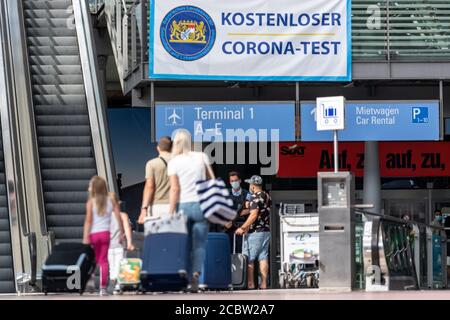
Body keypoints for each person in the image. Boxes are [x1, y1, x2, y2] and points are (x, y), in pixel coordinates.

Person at [168, 129, 214, 293]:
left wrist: (171, 212)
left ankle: (186, 278)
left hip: (183, 206)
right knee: (199, 244)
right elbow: (211, 180)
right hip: (200, 205)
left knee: (184, 244)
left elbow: (174, 189)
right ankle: (195, 275)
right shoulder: (201, 156)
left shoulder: (174, 162)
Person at [82, 176, 125, 296]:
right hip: (106, 234)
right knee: (104, 261)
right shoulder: (111, 201)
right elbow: (118, 217)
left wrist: (86, 236)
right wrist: (121, 233)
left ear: (94, 188)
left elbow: (88, 220)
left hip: (94, 234)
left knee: (93, 258)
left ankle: (90, 278)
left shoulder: (91, 202)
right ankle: (103, 288)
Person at [236, 175, 271, 289]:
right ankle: (264, 284)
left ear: (253, 185)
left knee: (249, 258)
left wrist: (243, 227)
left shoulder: (255, 197)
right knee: (263, 257)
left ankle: (251, 284)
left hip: (255, 232)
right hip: (265, 231)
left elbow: (254, 214)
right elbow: (258, 211)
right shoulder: (266, 196)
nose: (249, 187)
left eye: (250, 184)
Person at [138, 136, 173, 224]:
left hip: (157, 207)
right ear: (172, 147)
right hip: (175, 205)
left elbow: (149, 187)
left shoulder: (152, 164)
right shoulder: (179, 162)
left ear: (158, 148)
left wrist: (144, 209)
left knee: (157, 236)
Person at [108, 192, 135, 294]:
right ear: (118, 203)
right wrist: (130, 242)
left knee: (112, 267)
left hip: (109, 247)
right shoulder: (123, 215)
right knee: (120, 265)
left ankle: (113, 284)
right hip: (120, 246)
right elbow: (128, 229)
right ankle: (118, 286)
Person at [224, 171, 250, 253]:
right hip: (228, 227)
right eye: (232, 181)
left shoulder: (247, 194)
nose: (234, 182)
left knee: (241, 251)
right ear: (229, 182)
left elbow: (253, 209)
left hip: (242, 227)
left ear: (240, 181)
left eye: (236, 180)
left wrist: (245, 211)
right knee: (228, 251)